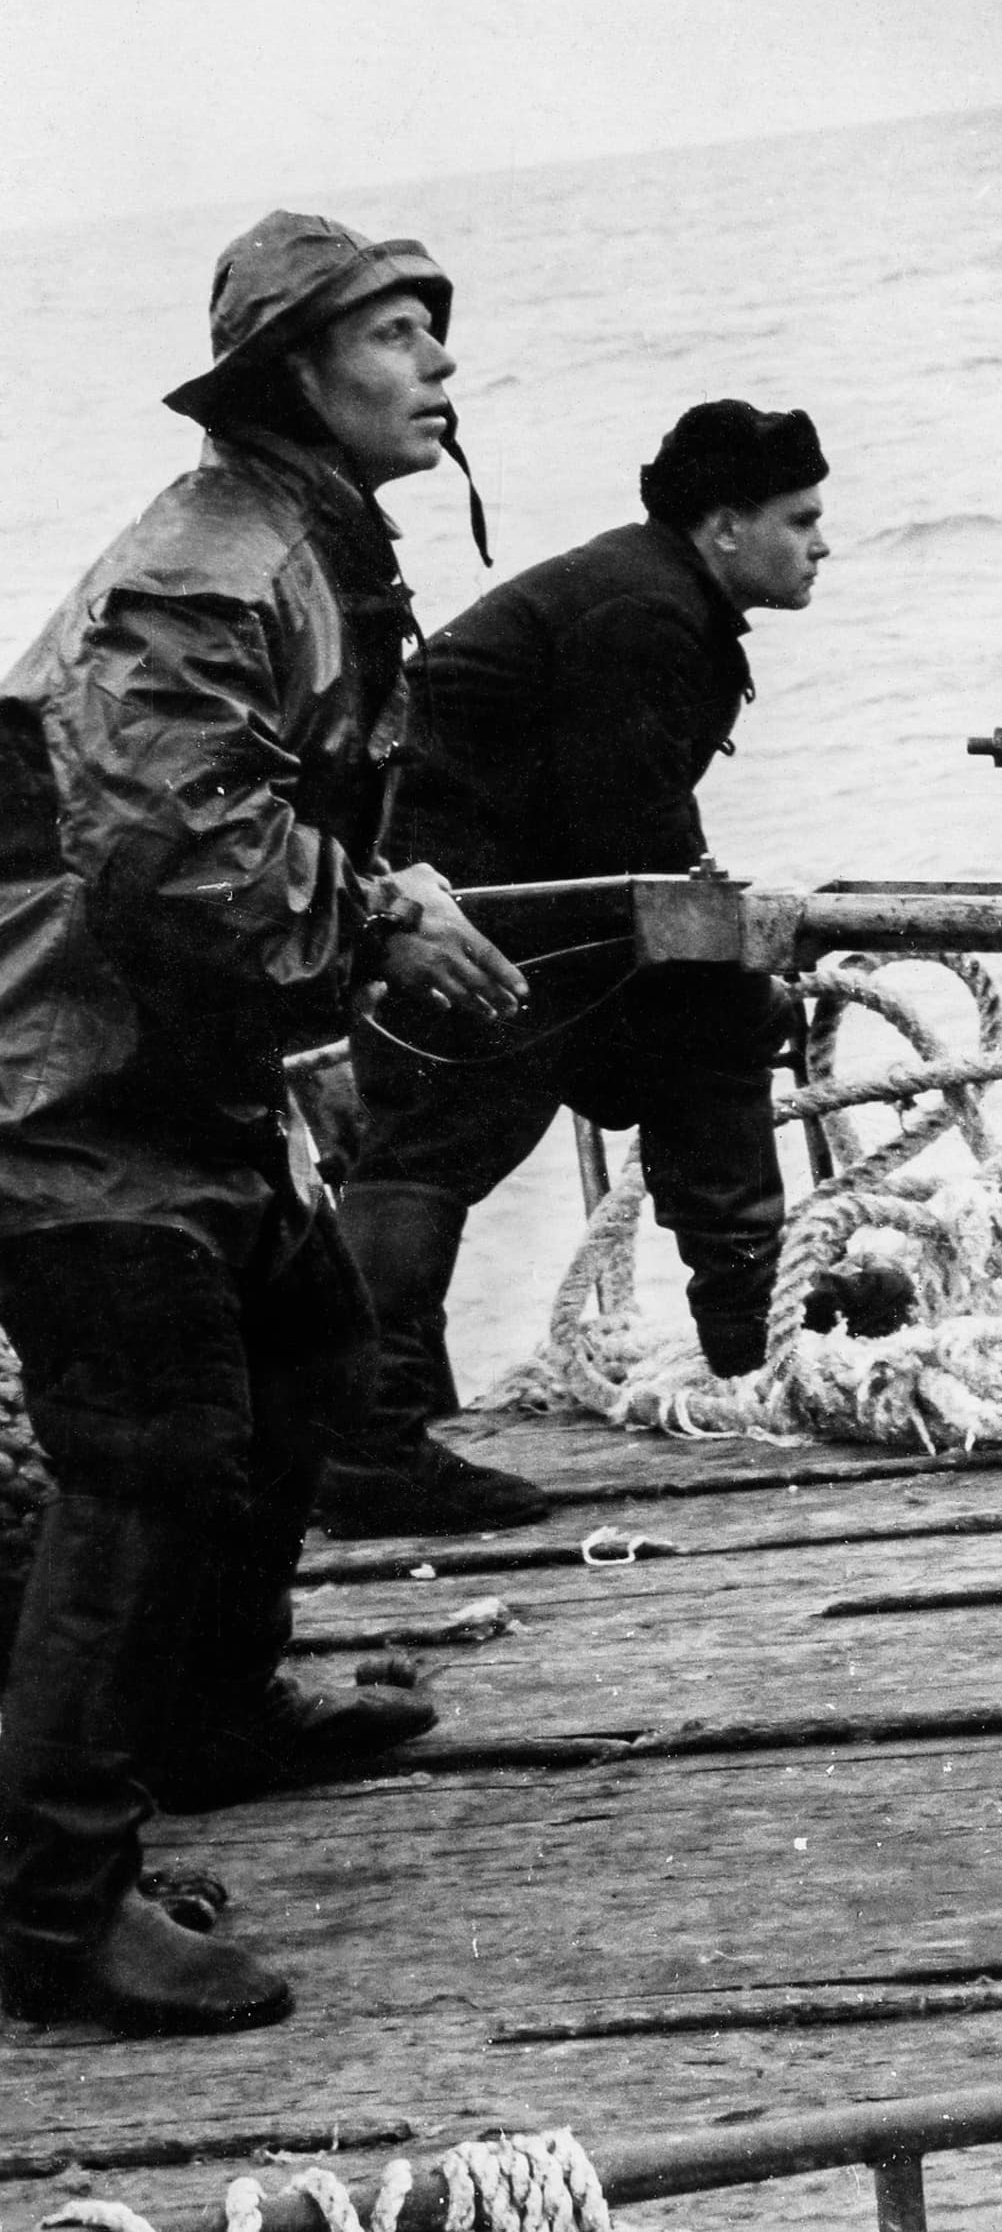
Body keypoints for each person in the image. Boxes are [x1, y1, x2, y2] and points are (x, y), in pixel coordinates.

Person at [0, 212, 526, 2035]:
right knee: (144, 1458)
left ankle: (214, 1715)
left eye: (435, 326)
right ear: (300, 378)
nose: (440, 360)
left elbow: (254, 801)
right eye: (395, 331)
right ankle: (56, 1910)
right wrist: (378, 919)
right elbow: (162, 856)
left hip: (174, 1063)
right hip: (57, 1081)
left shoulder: (309, 540)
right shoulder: (210, 573)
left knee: (310, 1347)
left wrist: (375, 890)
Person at [321, 404, 829, 1534]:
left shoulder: (655, 589)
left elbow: (632, 817)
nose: (821, 544)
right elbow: (626, 830)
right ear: (728, 527)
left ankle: (760, 1348)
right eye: (801, 520)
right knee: (438, 1149)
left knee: (708, 1030)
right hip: (461, 904)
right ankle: (364, 1446)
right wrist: (727, 955)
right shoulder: (644, 610)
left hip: (504, 880)